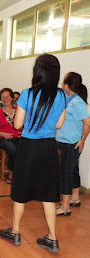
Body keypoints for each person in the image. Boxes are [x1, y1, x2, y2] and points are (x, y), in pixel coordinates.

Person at [0, 54, 68, 253]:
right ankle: (53, 239)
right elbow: (59, 124)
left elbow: (18, 124)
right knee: (48, 193)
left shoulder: (28, 94)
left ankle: (15, 232)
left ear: (37, 72)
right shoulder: (62, 96)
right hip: (48, 147)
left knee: (20, 191)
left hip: (29, 147)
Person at [56, 72, 90, 216]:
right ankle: (74, 198)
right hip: (65, 141)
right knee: (73, 171)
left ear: (67, 85)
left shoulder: (77, 102)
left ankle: (65, 207)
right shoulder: (69, 99)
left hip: (71, 144)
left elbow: (87, 122)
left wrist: (82, 139)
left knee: (66, 174)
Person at [0, 88, 22, 184]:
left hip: (17, 138)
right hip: (2, 139)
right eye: (2, 97)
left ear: (12, 98)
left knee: (26, 148)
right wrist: (3, 134)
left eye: (7, 96)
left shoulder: (18, 111)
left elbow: (25, 125)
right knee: (13, 150)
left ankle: (22, 174)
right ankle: (11, 174)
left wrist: (23, 132)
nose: (5, 99)